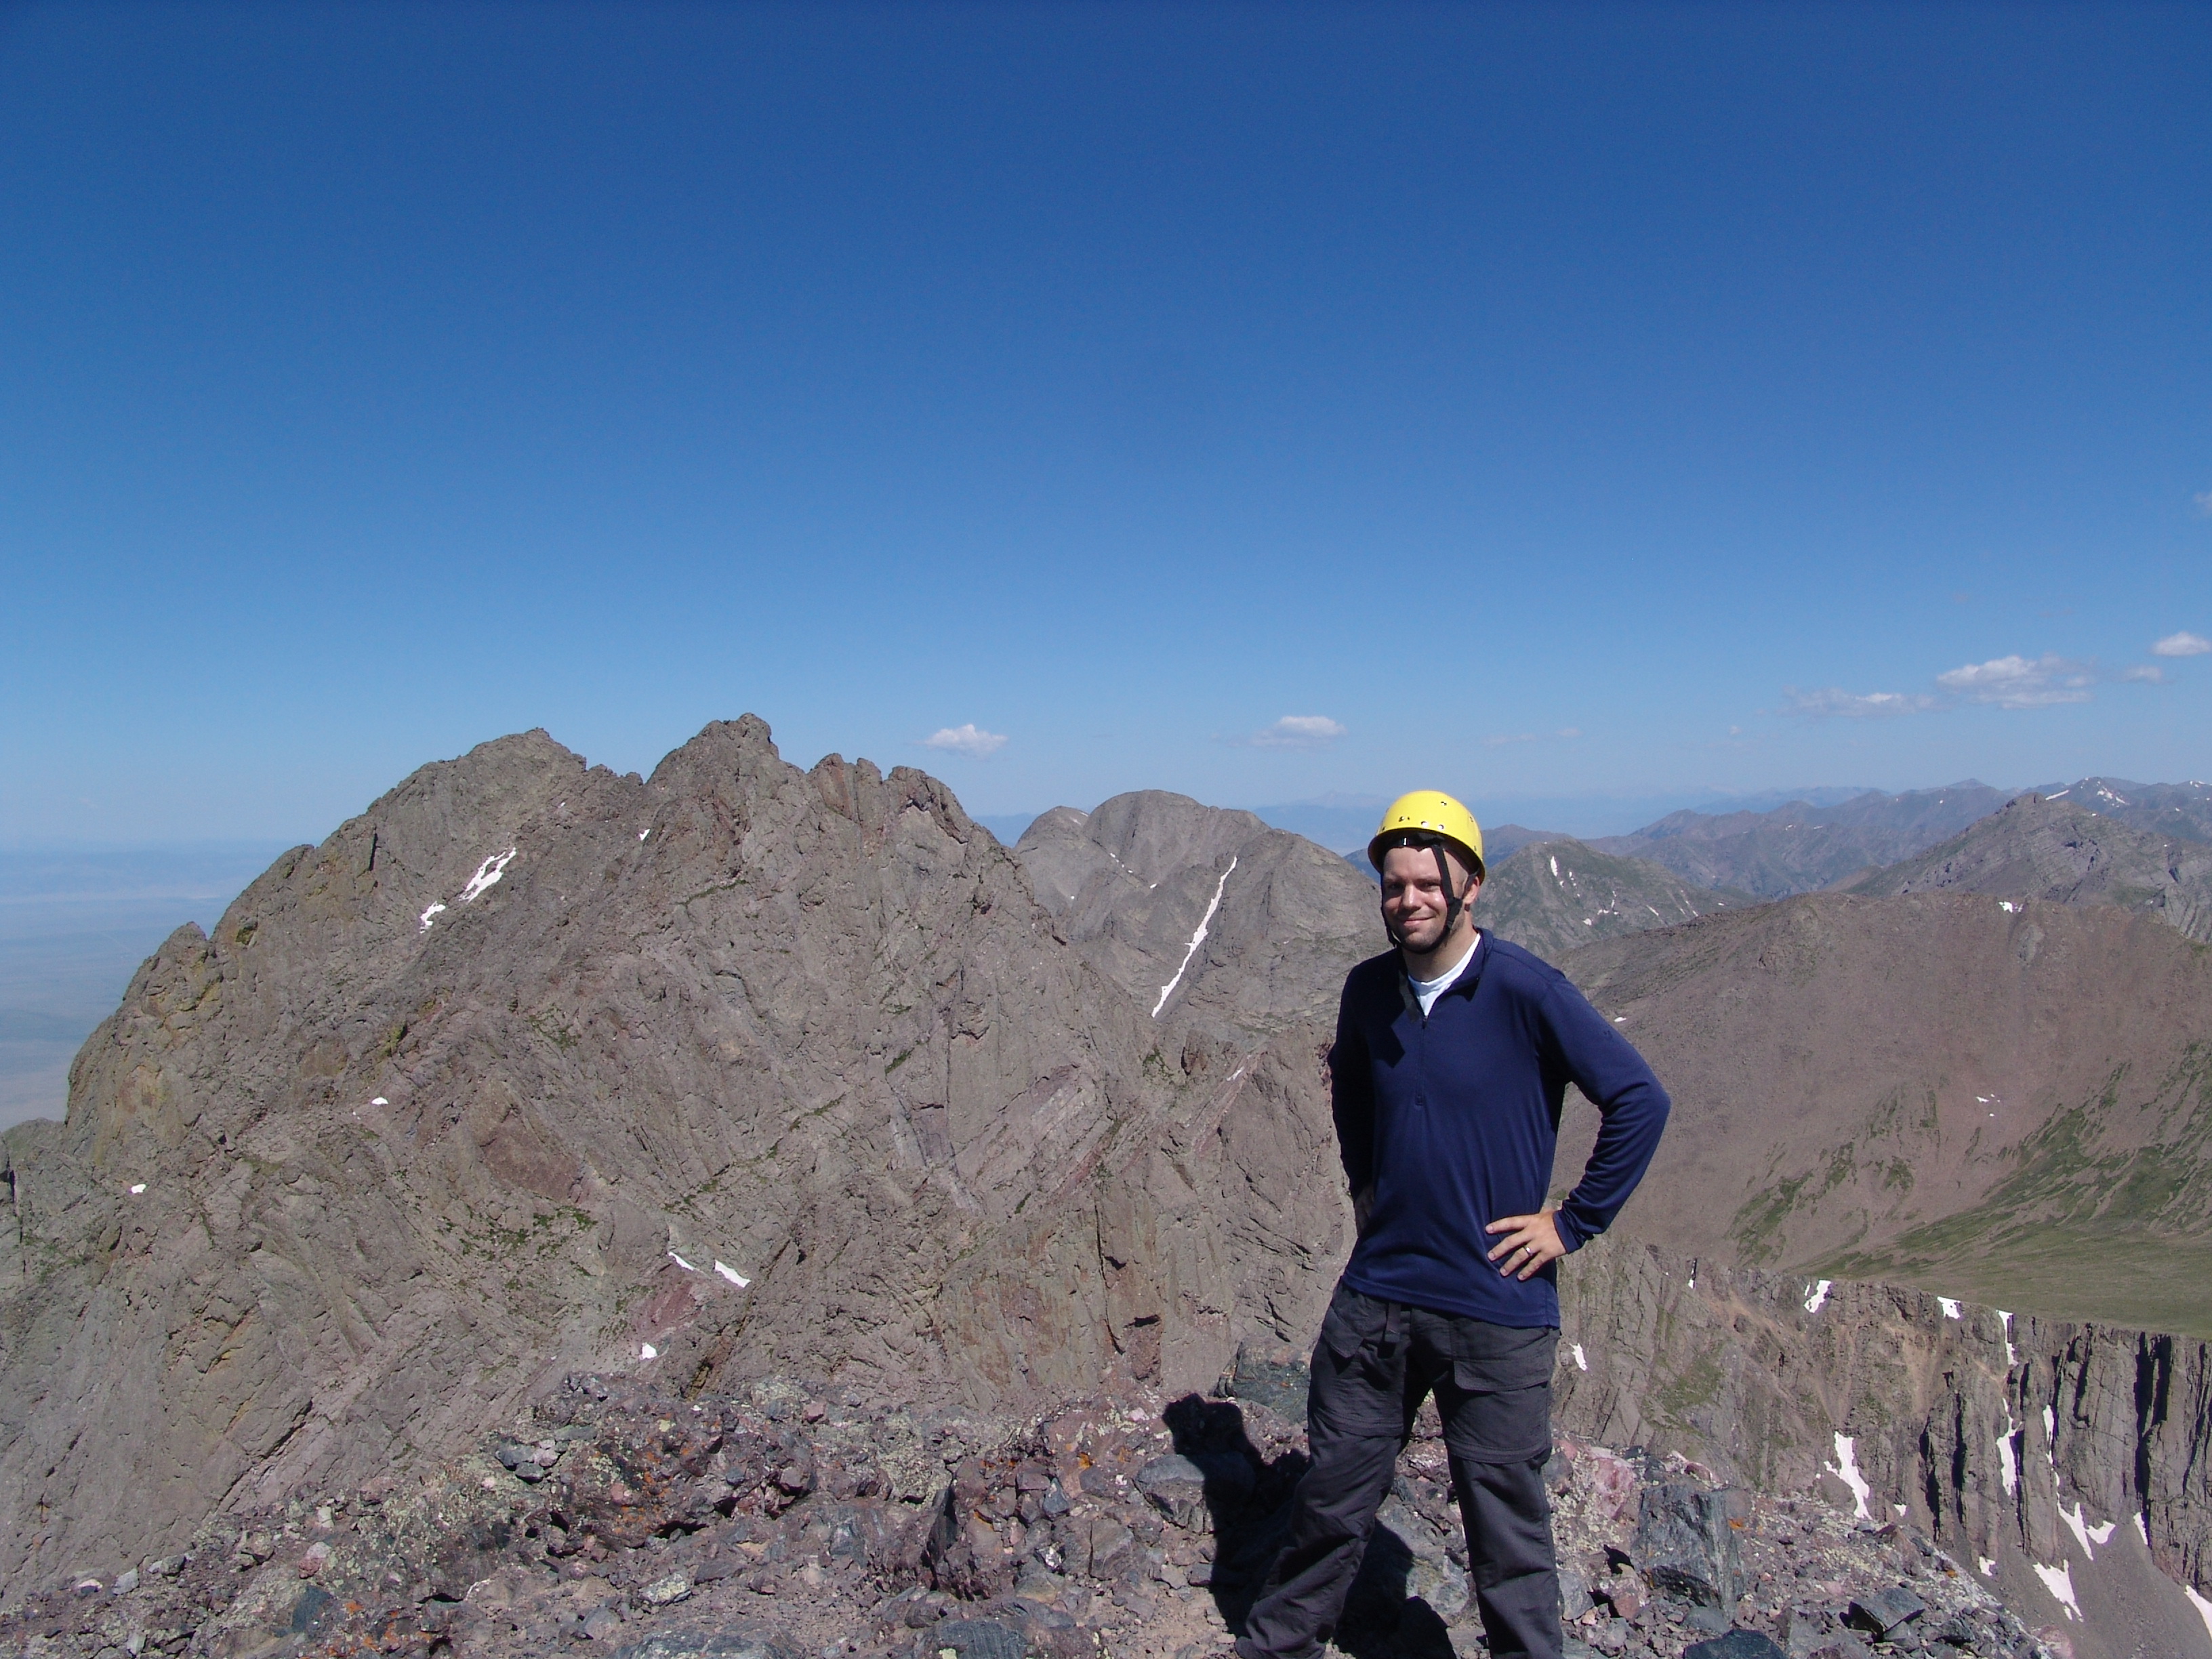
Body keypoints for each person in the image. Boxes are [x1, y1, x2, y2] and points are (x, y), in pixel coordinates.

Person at [1235, 791, 1670, 1659]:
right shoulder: (1368, 991)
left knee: (1507, 1532)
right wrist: (1365, 1185)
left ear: (1468, 885)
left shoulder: (1525, 990)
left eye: (1426, 883)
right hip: (1379, 1298)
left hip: (1495, 1307)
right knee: (1330, 1500)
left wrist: (1572, 1224)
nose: (1408, 901)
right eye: (1392, 886)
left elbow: (1639, 1099)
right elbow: (1352, 1084)